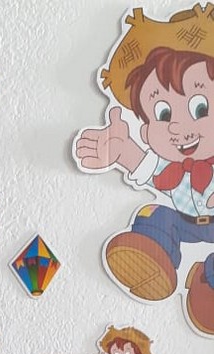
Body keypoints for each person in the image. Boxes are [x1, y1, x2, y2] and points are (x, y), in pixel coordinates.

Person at [74, 6, 214, 334]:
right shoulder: (171, 168)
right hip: (186, 222)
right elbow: (146, 165)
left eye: (200, 107)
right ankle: (154, 258)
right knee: (153, 215)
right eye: (163, 113)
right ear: (146, 128)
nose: (178, 127)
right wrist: (120, 151)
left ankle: (206, 286)